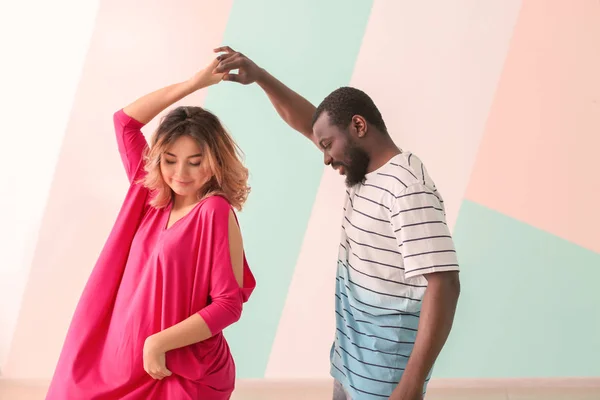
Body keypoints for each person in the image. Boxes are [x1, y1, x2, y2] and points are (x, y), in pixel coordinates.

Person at [213, 46, 461, 400]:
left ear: (359, 126)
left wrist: (409, 386)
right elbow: (308, 122)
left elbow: (445, 285)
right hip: (352, 362)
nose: (326, 158)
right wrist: (261, 77)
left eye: (328, 146)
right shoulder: (367, 172)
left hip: (385, 375)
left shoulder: (406, 188)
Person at [45, 58, 256, 400]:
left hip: (177, 369)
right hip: (119, 364)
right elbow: (125, 122)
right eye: (170, 160)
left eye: (195, 161)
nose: (181, 174)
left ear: (214, 160)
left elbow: (228, 304)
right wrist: (193, 84)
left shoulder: (214, 212)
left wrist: (159, 342)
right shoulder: (151, 195)